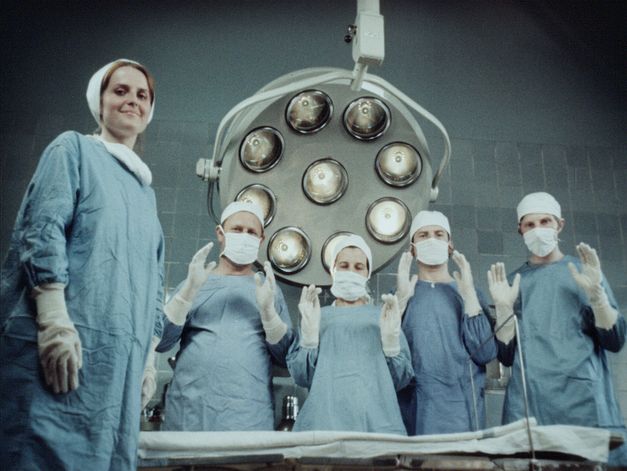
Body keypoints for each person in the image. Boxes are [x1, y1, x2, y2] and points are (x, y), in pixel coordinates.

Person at [0, 59, 164, 470]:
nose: (132, 101)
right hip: (62, 354)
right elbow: (43, 229)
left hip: (116, 376)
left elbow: (152, 279)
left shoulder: (146, 194)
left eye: (141, 95)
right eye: (120, 91)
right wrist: (54, 319)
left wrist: (147, 356)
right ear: (100, 101)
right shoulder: (73, 149)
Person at [487, 191, 626, 466]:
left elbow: (615, 340)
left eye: (545, 222)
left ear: (559, 225)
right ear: (520, 229)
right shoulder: (514, 282)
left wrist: (597, 296)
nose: (538, 230)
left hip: (582, 401)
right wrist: (503, 309)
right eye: (530, 225)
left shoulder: (584, 273)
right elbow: (505, 356)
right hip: (531, 402)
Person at [156, 201, 294, 431]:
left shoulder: (268, 290)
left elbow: (286, 359)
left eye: (251, 232)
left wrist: (269, 315)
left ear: (261, 240)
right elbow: (160, 342)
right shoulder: (195, 282)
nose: (244, 236)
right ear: (220, 233)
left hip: (248, 415)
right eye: (237, 229)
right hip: (189, 413)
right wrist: (187, 293)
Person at [287, 234, 414, 433]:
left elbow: (400, 380)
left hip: (377, 423)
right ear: (332, 270)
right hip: (324, 423)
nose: (351, 271)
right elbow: (301, 377)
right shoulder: (318, 317)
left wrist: (391, 346)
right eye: (344, 266)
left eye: (358, 267)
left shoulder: (383, 317)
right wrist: (309, 341)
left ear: (367, 273)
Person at [395, 210, 497, 435]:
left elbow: (486, 353)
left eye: (439, 234)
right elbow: (390, 363)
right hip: (416, 410)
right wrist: (400, 304)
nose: (432, 239)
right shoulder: (403, 296)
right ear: (412, 248)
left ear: (450, 245)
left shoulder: (469, 293)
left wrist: (469, 295)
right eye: (423, 235)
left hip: (463, 412)